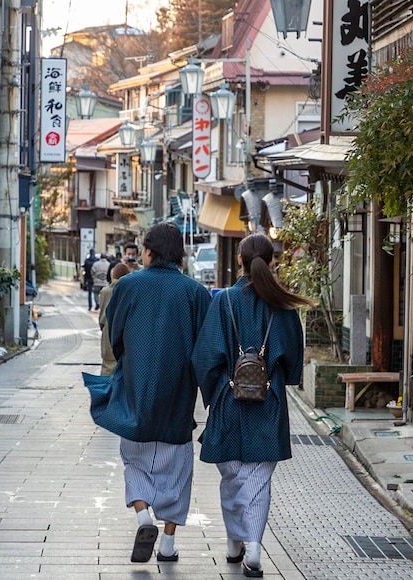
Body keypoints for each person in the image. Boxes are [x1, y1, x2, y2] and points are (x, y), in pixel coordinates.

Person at [82, 222, 212, 563]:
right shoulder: (196, 293)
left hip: (137, 388)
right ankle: (167, 545)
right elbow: (205, 350)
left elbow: (116, 336)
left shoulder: (128, 286)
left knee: (134, 460)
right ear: (179, 253)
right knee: (177, 472)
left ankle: (143, 515)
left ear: (150, 251)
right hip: (179, 396)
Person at [190, 232, 310, 578]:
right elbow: (292, 364)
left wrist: (214, 391)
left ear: (238, 261)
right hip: (268, 402)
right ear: (272, 261)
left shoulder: (223, 300)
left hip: (228, 399)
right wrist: (273, 377)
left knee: (231, 477)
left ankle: (233, 543)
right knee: (258, 479)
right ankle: (253, 550)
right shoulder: (282, 306)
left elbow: (205, 357)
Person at [98, 262, 131, 375]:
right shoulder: (130, 290)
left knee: (107, 371)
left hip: (108, 335)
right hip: (127, 338)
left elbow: (102, 319)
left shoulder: (105, 292)